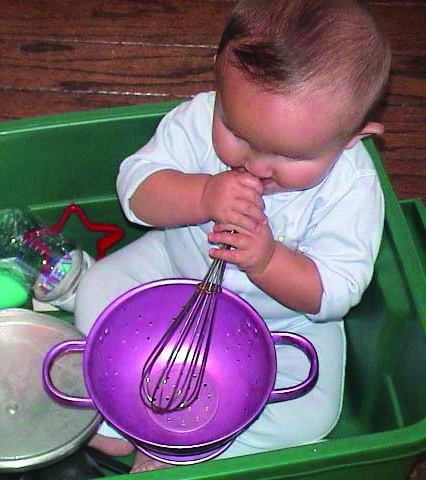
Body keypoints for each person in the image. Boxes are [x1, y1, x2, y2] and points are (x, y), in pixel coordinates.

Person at [73, 0, 392, 473]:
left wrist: (267, 262)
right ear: (217, 81)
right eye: (237, 132)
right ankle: (114, 423)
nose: (256, 165)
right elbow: (136, 190)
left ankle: (187, 449)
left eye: (289, 156)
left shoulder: (353, 188)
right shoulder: (197, 119)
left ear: (353, 138)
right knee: (98, 288)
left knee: (310, 414)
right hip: (175, 267)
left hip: (284, 322)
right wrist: (201, 194)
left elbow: (337, 291)